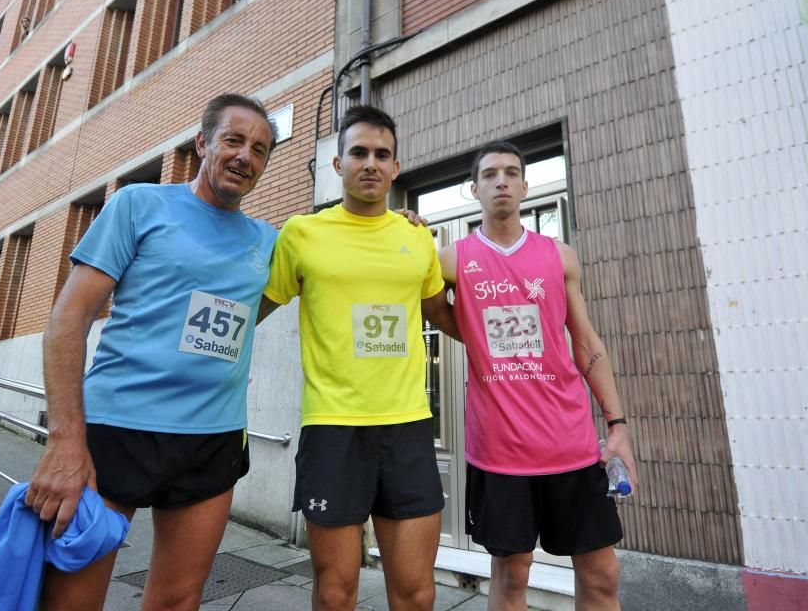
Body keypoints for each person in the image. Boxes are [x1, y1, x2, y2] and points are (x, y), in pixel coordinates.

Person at [25, 93, 280, 610]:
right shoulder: (138, 204)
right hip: (117, 429)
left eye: (259, 149)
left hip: (213, 438)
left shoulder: (269, 241)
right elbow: (67, 320)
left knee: (179, 600)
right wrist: (65, 439)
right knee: (71, 599)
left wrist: (402, 223)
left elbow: (260, 308)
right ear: (202, 143)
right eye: (233, 141)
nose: (244, 157)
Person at [260, 105, 460, 611]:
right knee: (335, 591)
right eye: (359, 153)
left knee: (416, 593)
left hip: (408, 427)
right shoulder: (301, 234)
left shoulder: (417, 237)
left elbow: (444, 314)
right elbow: (253, 309)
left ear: (396, 167)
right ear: (337, 164)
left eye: (382, 154)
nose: (370, 163)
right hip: (333, 429)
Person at [438, 140, 637, 611]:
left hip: (571, 445)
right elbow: (431, 308)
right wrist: (477, 339)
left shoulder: (558, 255)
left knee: (603, 574)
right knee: (511, 580)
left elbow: (587, 343)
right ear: (474, 189)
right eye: (489, 174)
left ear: (526, 186)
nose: (501, 180)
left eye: (511, 172)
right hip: (500, 452)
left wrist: (618, 426)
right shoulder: (452, 259)